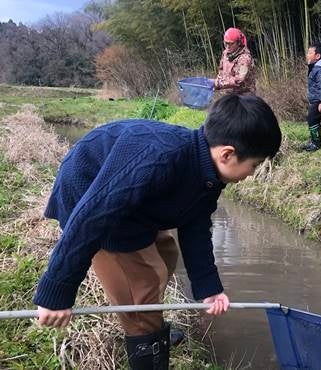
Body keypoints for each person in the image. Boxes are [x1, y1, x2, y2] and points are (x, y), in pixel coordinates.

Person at [33, 94, 281, 369]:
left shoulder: (205, 171)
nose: (252, 173)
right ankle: (148, 345)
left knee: (165, 253)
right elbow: (91, 218)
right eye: (254, 166)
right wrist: (56, 292)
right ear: (227, 153)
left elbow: (195, 225)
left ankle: (153, 320)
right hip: (87, 192)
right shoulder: (160, 159)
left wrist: (208, 288)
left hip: (128, 203)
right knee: (146, 279)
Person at [302, 41, 321, 152]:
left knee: (312, 119)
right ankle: (314, 141)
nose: (307, 55)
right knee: (313, 119)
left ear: (318, 56)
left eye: (310, 53)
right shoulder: (316, 67)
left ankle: (317, 143)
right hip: (315, 98)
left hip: (319, 100)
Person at [214, 27, 256, 95]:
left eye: (231, 44)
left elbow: (240, 79)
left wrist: (219, 83)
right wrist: (215, 83)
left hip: (244, 97)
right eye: (226, 43)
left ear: (238, 43)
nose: (228, 46)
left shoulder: (245, 58)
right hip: (228, 94)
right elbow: (221, 71)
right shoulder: (225, 53)